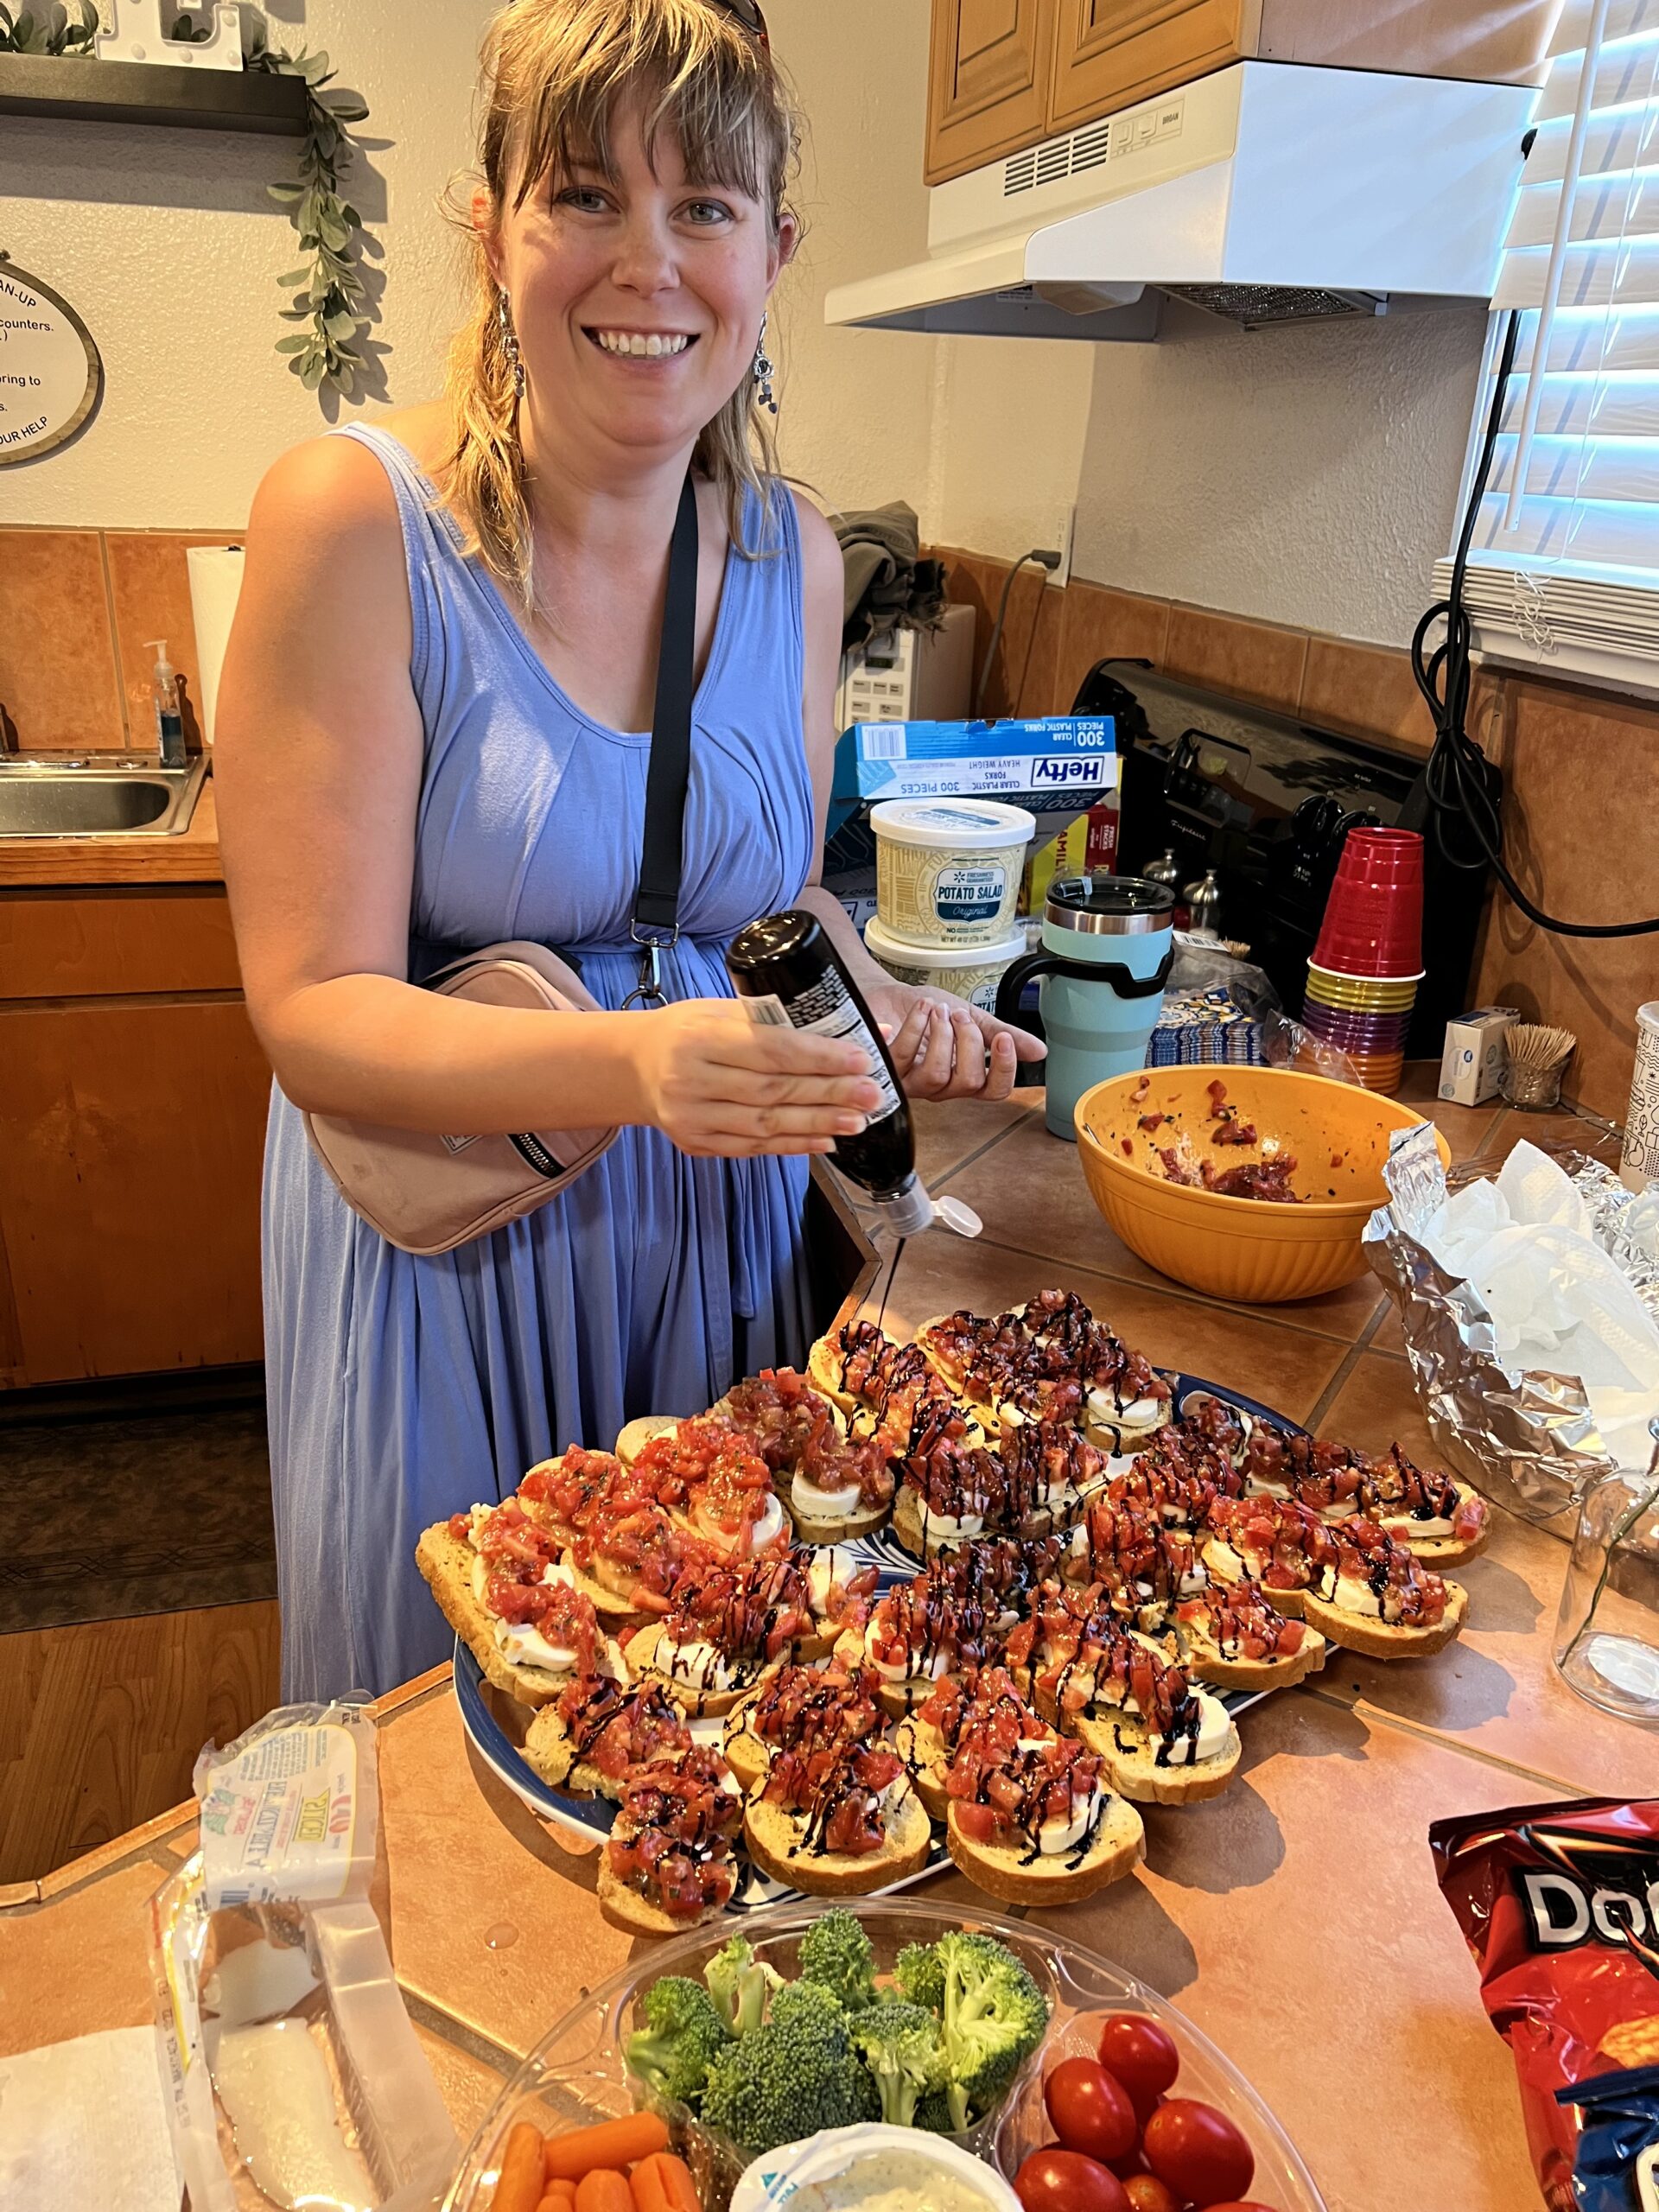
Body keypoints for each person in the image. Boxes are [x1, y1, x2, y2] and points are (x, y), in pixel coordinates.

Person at [214, 0, 1044, 1701]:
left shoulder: (800, 556)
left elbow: (758, 900)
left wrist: (880, 989)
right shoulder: (355, 523)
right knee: (458, 1743)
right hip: (446, 1249)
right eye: (585, 194)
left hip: (703, 1243)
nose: (647, 264)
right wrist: (639, 1061)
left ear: (774, 245)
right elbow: (309, 1009)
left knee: (707, 1724)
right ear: (492, 226)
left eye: (706, 207)